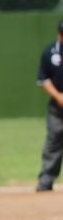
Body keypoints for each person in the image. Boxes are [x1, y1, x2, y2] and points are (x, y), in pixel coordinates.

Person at [35, 18, 63, 192]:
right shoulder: (50, 53)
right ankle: (45, 182)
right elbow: (43, 79)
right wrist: (59, 96)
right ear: (59, 34)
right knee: (53, 143)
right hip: (57, 108)